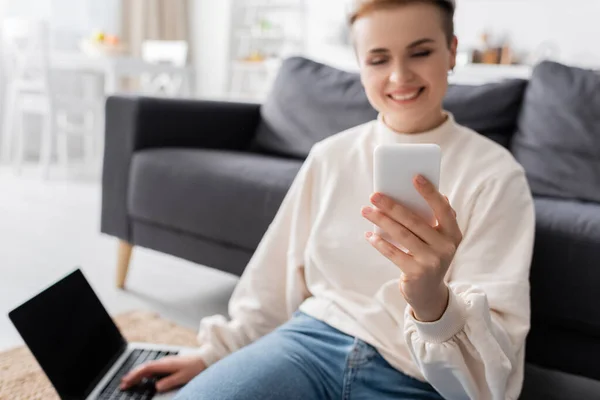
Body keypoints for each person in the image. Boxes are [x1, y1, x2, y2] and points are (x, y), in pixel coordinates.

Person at [121, 0, 535, 398]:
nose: (399, 76)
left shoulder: (496, 176)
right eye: (378, 59)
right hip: (309, 342)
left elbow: (490, 374)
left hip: (420, 374)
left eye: (420, 52)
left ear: (451, 52)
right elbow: (274, 275)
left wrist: (433, 303)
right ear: (359, 66)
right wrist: (215, 352)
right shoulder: (331, 155)